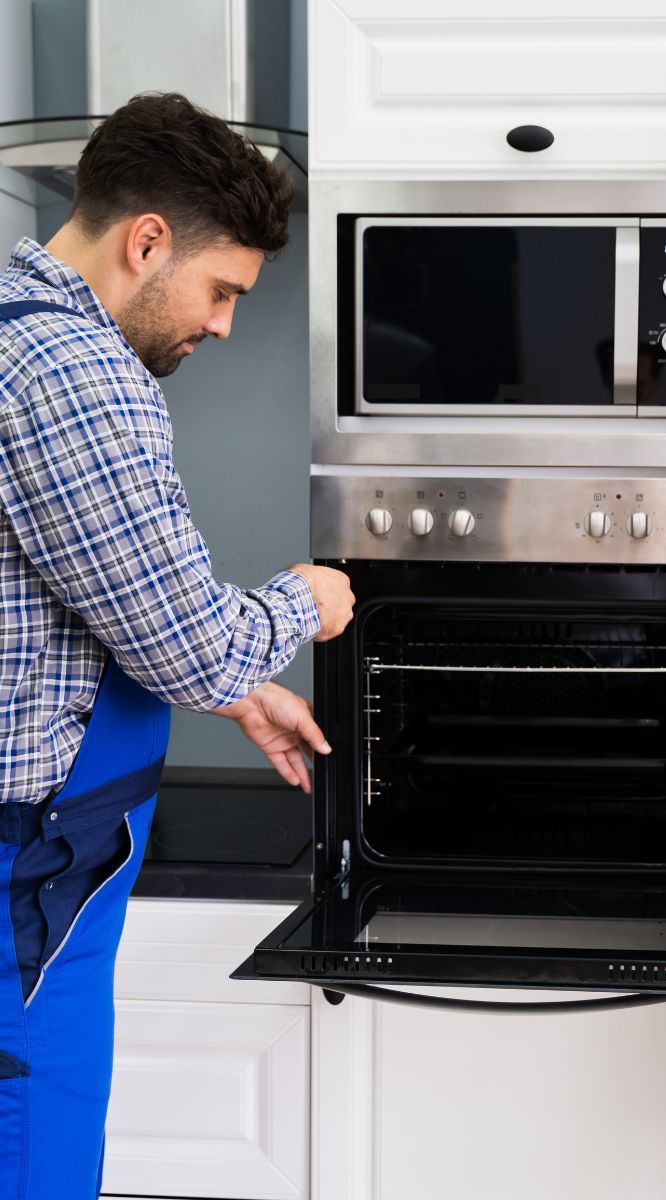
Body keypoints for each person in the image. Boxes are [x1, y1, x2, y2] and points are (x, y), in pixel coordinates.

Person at [0, 93, 354, 1198]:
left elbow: (94, 599)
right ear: (145, 240)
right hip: (29, 867)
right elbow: (189, 639)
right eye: (222, 290)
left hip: (45, 850)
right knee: (31, 1130)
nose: (222, 324)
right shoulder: (73, 372)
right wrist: (303, 603)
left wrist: (242, 690)